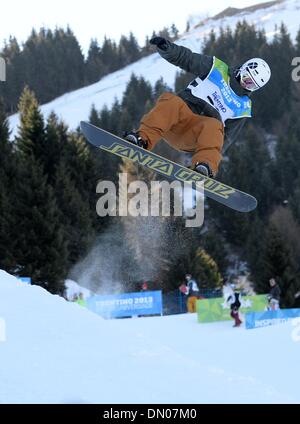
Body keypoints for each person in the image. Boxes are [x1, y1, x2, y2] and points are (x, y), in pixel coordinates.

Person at [124, 37, 271, 178]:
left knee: (214, 126)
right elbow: (187, 59)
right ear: (243, 69)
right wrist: (167, 48)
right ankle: (141, 140)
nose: (246, 84)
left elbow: (226, 138)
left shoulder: (243, 107)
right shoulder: (217, 69)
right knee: (171, 101)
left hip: (195, 136)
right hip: (175, 120)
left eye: (251, 84)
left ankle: (204, 166)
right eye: (246, 77)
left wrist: (213, 159)